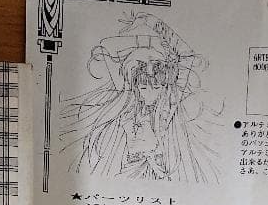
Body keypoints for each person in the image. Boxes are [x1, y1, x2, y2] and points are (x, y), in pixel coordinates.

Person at [61, 14, 221, 182]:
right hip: (128, 171)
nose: (150, 92)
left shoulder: (167, 106)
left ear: (164, 86)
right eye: (143, 87)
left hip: (159, 172)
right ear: (136, 87)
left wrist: (153, 23)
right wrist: (142, 39)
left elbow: (187, 56)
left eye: (157, 87)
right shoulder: (128, 103)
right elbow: (107, 44)